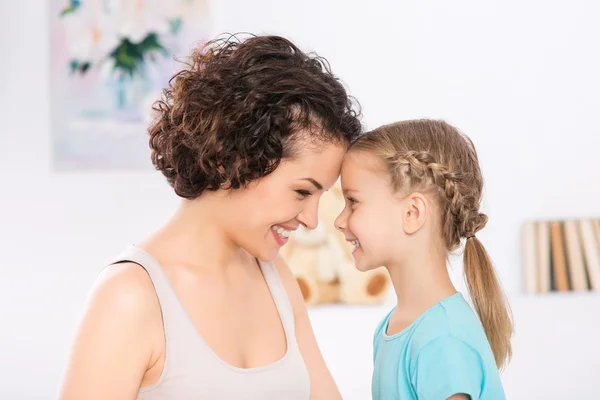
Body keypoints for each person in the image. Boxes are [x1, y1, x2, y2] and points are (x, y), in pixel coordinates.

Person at [58, 34, 362, 400]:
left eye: (320, 195)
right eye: (302, 192)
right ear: (232, 159)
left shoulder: (276, 278)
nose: (313, 220)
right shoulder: (131, 296)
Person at [334, 119, 513, 399]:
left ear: (412, 213)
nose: (339, 221)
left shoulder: (442, 339)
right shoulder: (394, 328)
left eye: (353, 202)